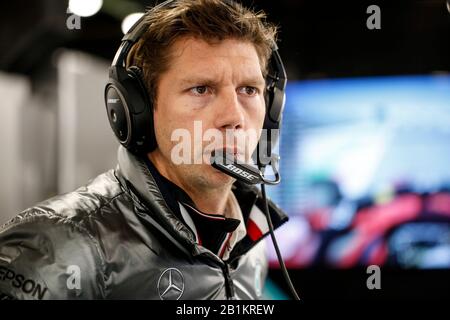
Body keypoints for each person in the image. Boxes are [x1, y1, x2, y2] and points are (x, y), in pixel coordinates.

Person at [0, 0, 288, 300]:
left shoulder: (249, 244)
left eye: (248, 90)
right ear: (139, 111)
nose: (235, 117)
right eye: (201, 89)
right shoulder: (55, 247)